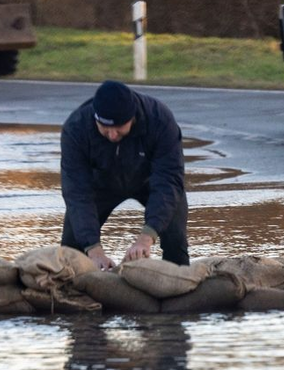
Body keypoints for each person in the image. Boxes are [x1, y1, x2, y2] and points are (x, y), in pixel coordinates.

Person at [60, 80, 188, 268]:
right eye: (104, 127)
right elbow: (77, 192)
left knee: (175, 238)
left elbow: (169, 181)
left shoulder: (160, 120)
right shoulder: (76, 128)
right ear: (95, 118)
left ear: (133, 117)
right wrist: (93, 249)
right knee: (73, 245)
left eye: (119, 128)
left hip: (150, 181)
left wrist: (146, 237)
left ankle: (180, 286)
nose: (112, 135)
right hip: (101, 183)